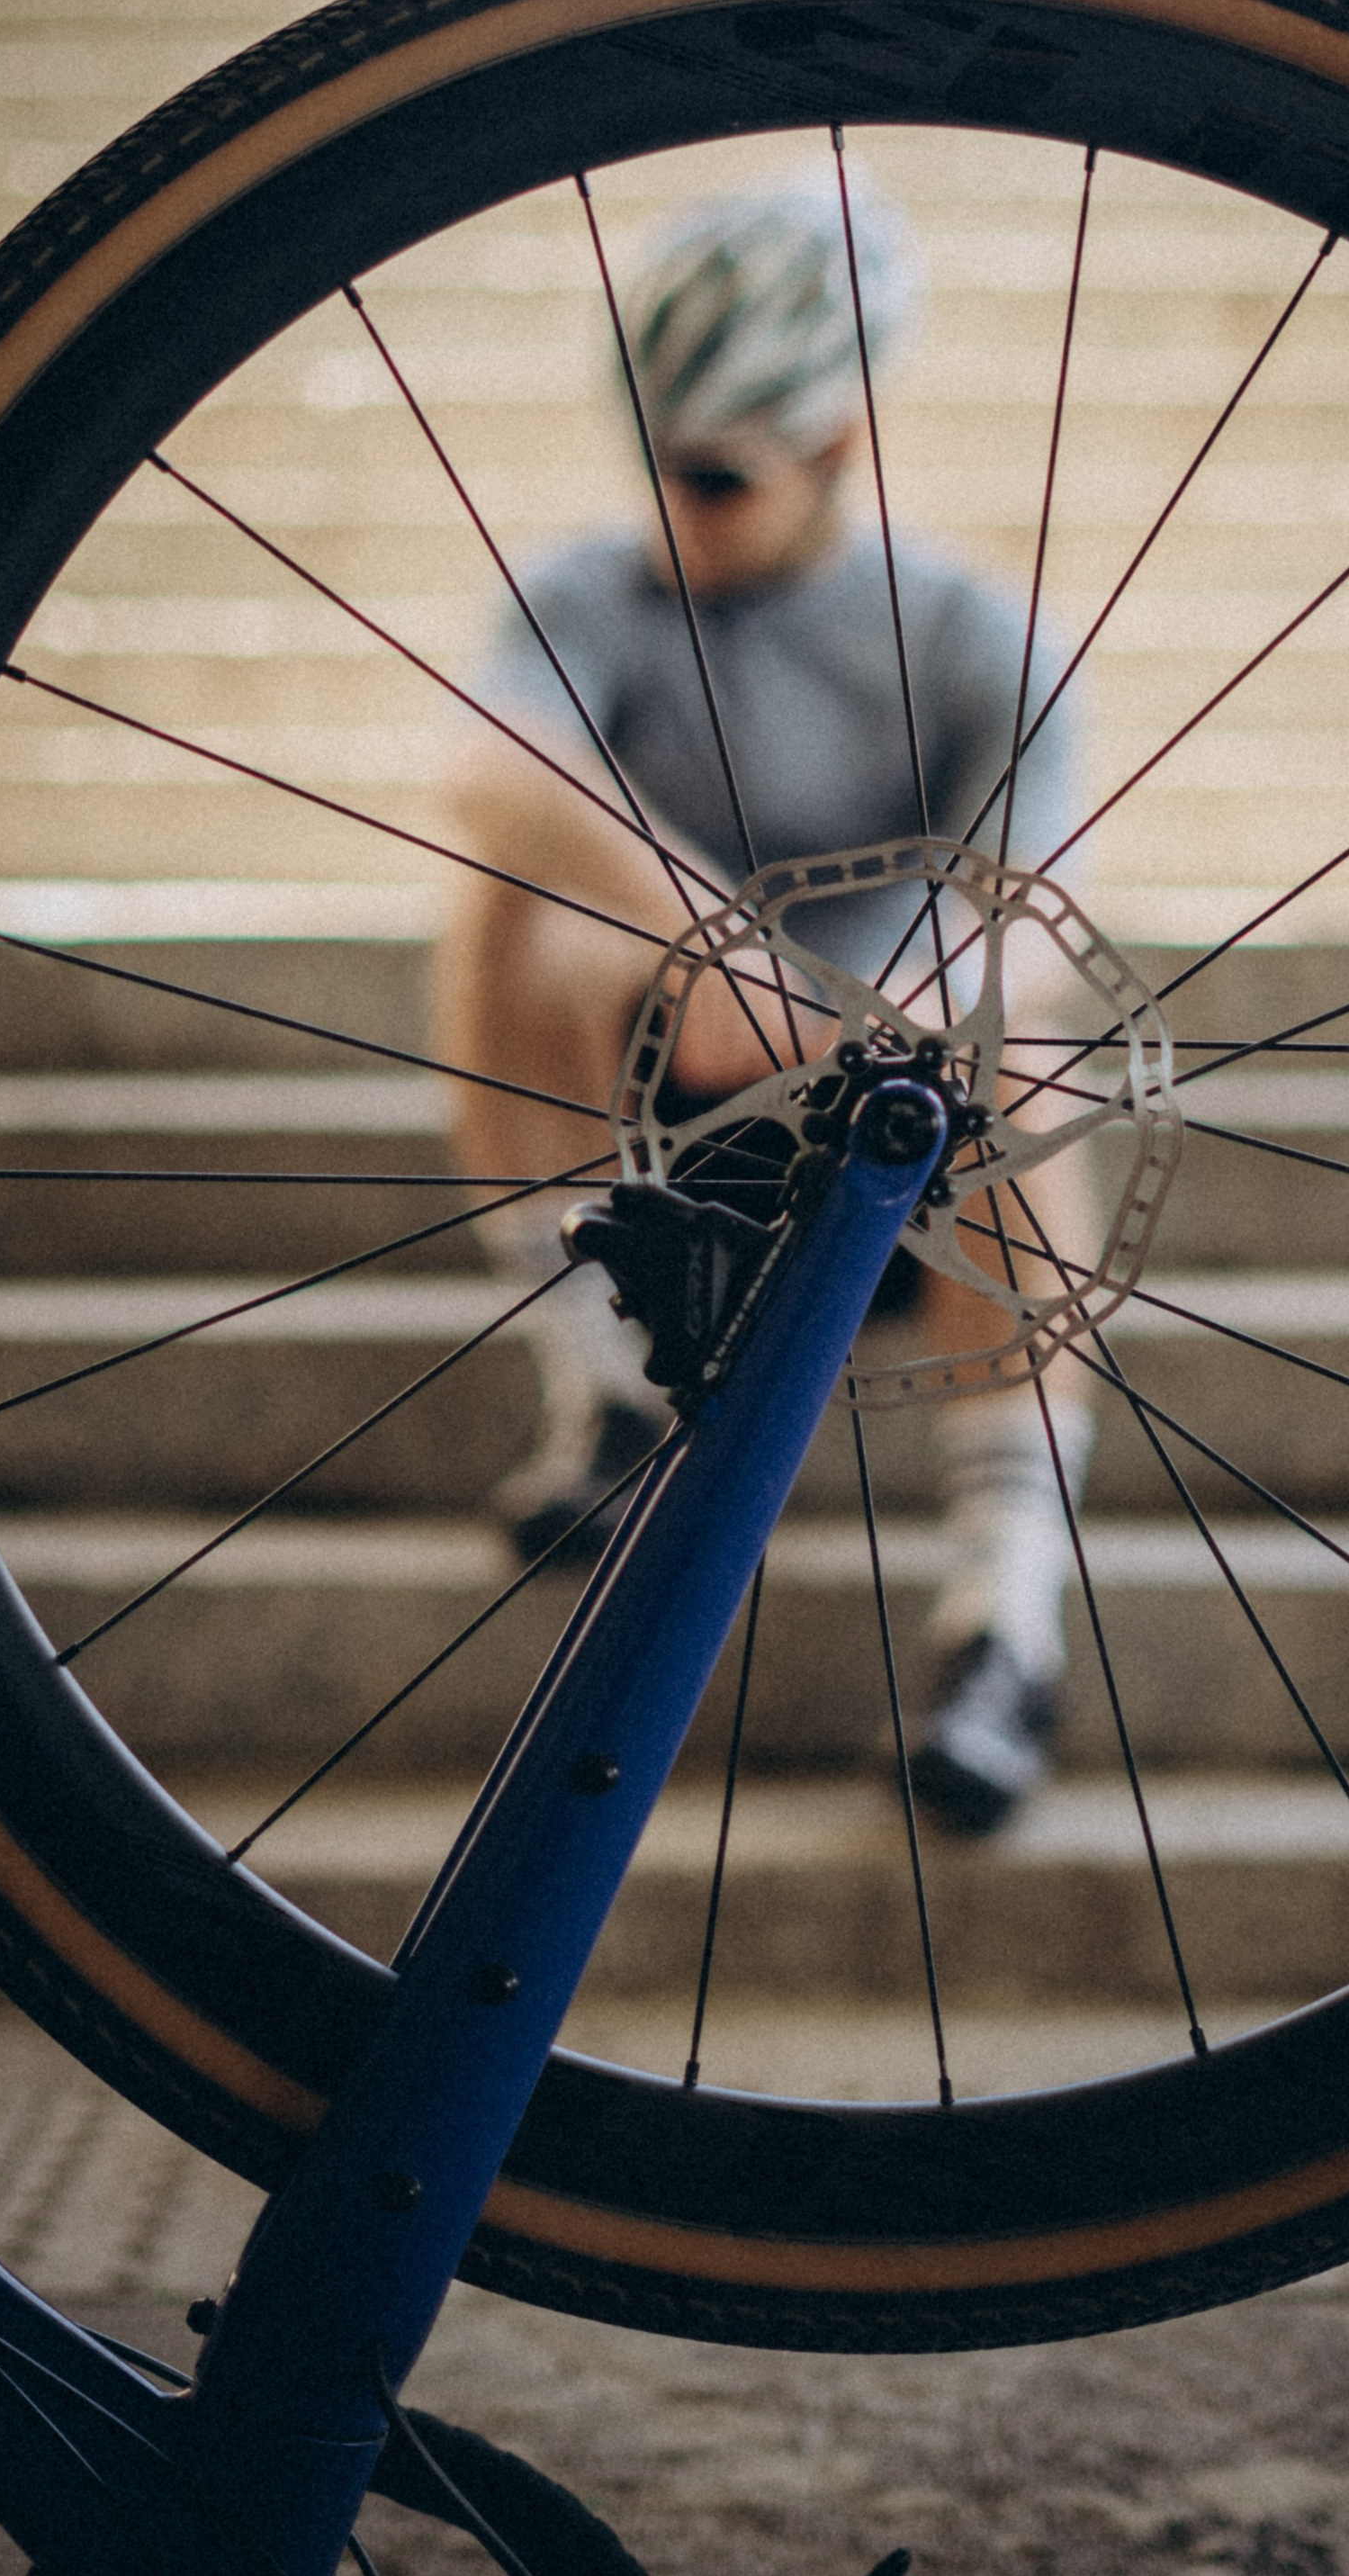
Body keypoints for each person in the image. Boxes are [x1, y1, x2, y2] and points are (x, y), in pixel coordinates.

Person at [437, 175, 1096, 1833]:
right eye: (650, 460)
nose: (672, 506)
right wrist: (698, 935)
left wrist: (872, 1026)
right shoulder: (596, 594)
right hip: (649, 1124)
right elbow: (484, 760)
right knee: (506, 895)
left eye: (715, 474)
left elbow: (1023, 915)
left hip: (899, 1139)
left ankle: (1001, 1625)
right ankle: (601, 1376)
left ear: (837, 451)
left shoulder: (964, 634)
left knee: (1041, 1020)